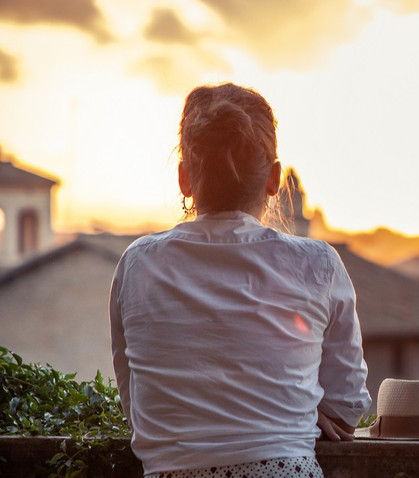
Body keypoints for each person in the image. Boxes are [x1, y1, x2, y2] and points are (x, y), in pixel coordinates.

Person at [109, 83, 371, 478]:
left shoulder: (138, 265)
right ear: (275, 179)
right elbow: (347, 410)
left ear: (184, 179)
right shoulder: (318, 264)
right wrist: (292, 410)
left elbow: (138, 408)